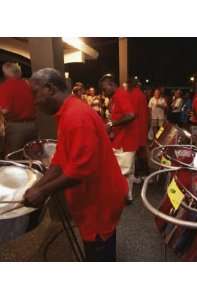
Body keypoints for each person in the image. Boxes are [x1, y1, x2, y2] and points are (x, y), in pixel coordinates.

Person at [23, 68, 127, 261]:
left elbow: (81, 171)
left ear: (49, 89)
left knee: (99, 254)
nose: (34, 101)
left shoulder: (76, 117)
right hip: (91, 198)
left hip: (99, 201)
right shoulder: (67, 112)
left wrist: (43, 192)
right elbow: (60, 159)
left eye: (35, 93)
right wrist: (38, 185)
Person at [99, 74, 138, 204]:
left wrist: (112, 124)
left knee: (122, 171)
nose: (104, 93)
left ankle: (123, 197)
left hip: (126, 140)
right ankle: (127, 196)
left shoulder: (120, 95)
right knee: (127, 171)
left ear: (112, 85)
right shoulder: (115, 97)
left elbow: (131, 115)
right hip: (122, 138)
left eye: (105, 89)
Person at [0, 62, 37, 154]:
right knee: (32, 156)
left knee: (14, 158)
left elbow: (5, 110)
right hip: (32, 126)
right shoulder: (28, 84)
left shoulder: (5, 87)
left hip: (15, 128)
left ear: (5, 73)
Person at [127, 78, 149, 178]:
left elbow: (132, 114)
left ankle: (139, 175)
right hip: (142, 127)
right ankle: (144, 174)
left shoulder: (134, 95)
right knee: (141, 151)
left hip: (136, 128)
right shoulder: (141, 94)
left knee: (136, 152)